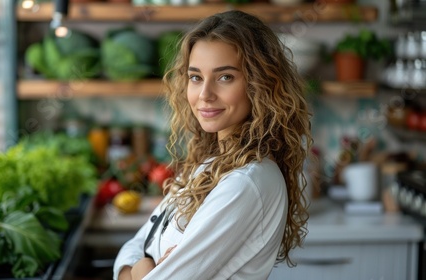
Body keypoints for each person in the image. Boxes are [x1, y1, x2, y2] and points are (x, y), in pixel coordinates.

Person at [113, 9, 311, 280]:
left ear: (259, 84)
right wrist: (141, 269)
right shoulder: (206, 163)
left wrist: (140, 268)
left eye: (225, 77)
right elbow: (133, 246)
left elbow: (139, 262)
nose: (205, 94)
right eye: (196, 77)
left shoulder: (246, 182)